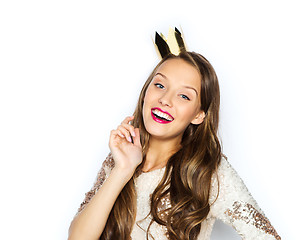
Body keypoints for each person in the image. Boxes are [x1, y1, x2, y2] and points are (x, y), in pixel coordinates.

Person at [68, 31, 281, 240]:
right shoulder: (122, 154)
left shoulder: (209, 171)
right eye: (160, 85)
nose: (165, 99)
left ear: (198, 115)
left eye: (184, 96)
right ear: (145, 93)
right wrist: (123, 169)